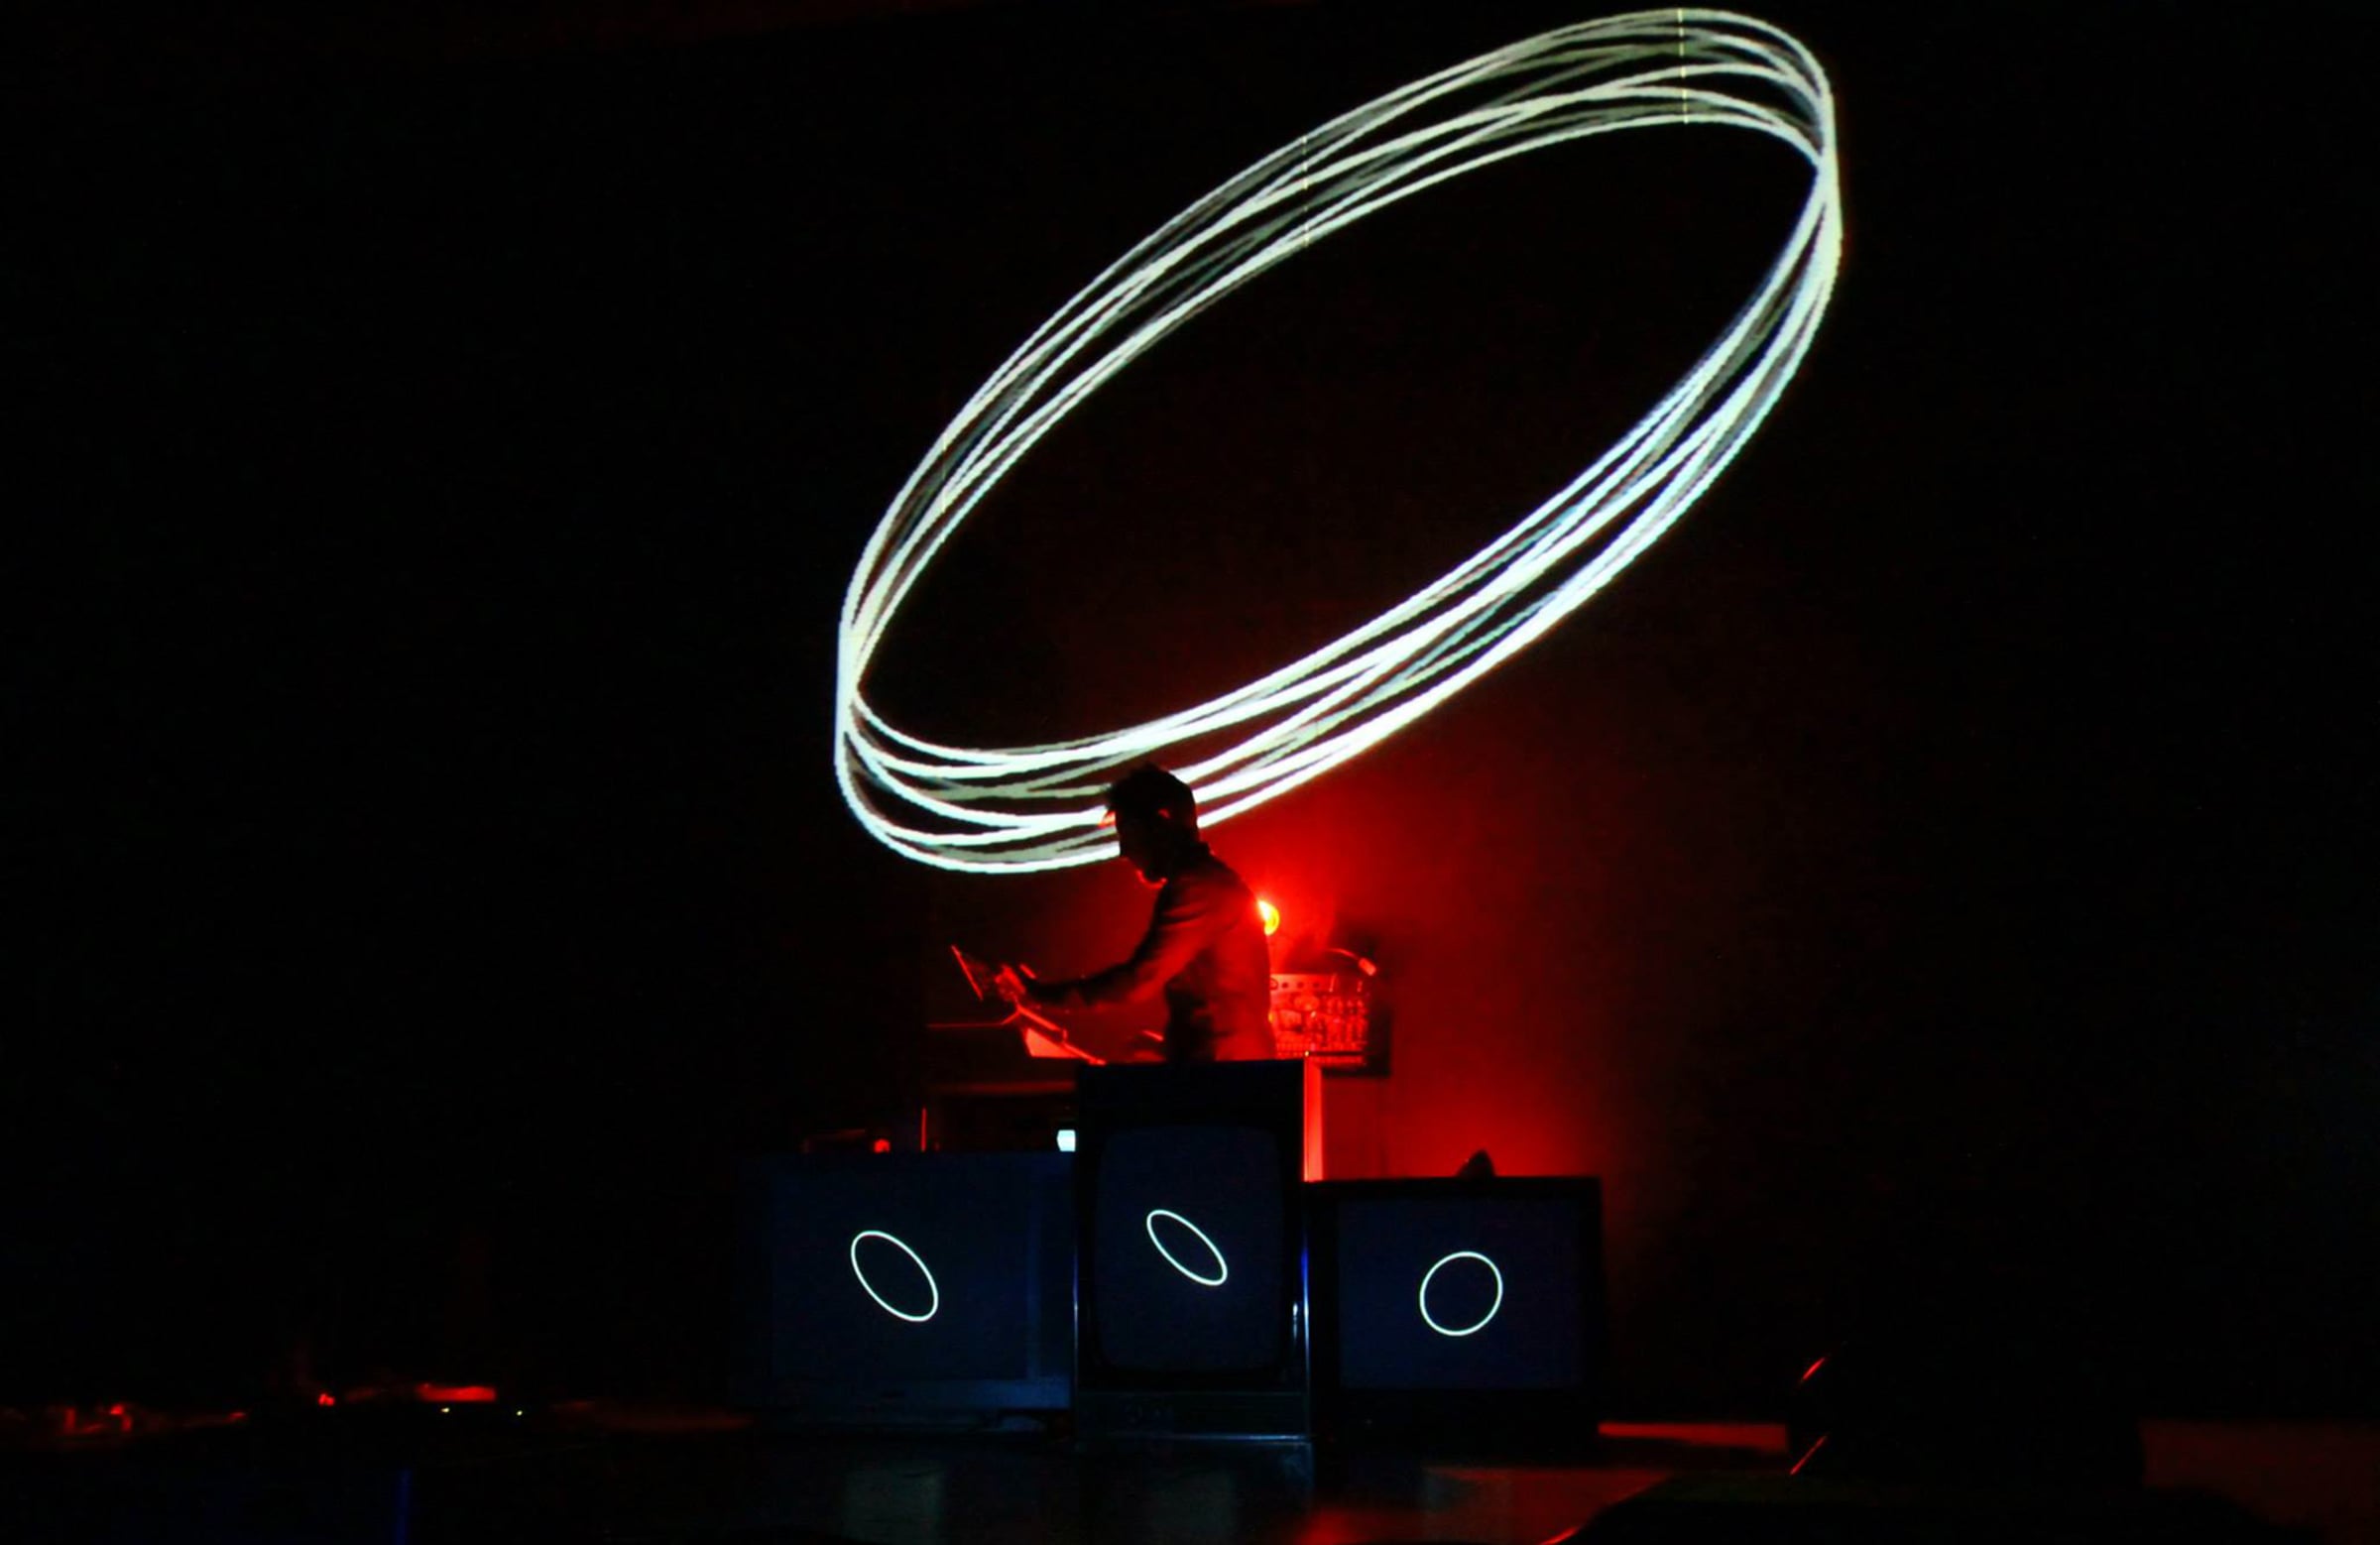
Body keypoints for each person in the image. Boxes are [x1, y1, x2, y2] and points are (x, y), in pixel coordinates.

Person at [991, 766, 1274, 1062]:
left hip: (1223, 1077)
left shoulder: (1197, 888)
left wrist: (1040, 995)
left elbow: (1139, 979)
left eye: (1127, 832)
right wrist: (1166, 1048)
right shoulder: (1207, 882)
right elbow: (1219, 1004)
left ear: (1161, 824)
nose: (1123, 850)